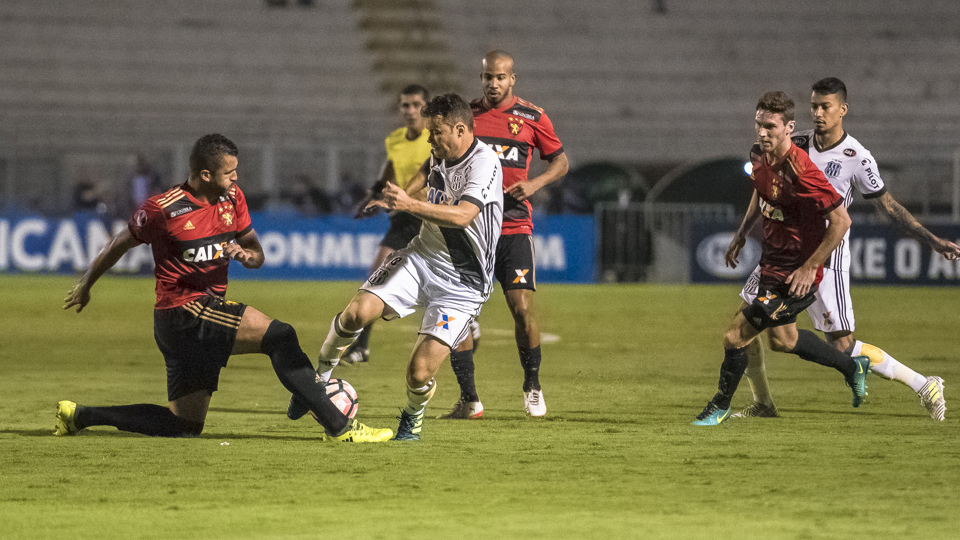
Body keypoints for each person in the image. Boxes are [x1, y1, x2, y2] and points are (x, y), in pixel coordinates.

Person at [56, 133, 392, 443]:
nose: (236, 178)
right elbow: (119, 243)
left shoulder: (233, 199)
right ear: (205, 175)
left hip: (199, 316)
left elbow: (256, 253)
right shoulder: (164, 208)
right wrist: (87, 284)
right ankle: (340, 428)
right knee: (280, 336)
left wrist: (246, 255)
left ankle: (80, 415)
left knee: (184, 425)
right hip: (183, 312)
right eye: (229, 172)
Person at [732, 78, 959, 421]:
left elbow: (889, 206)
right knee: (744, 325)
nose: (818, 113)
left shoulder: (857, 157)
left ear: (842, 110)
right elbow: (765, 188)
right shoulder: (794, 143)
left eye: (826, 107)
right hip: (786, 252)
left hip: (826, 255)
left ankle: (924, 384)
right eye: (814, 106)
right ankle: (763, 403)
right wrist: (742, 231)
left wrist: (933, 240)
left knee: (842, 345)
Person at [287, 93, 503, 440]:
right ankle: (317, 383)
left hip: (463, 283)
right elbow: (427, 168)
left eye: (436, 133)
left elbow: (464, 215)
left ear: (460, 129)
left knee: (419, 373)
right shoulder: (442, 151)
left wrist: (408, 204)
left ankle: (412, 417)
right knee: (356, 312)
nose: (431, 140)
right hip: (421, 257)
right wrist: (401, 193)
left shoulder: (485, 163)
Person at [693, 91, 871, 426]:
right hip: (769, 265)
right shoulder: (758, 155)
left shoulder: (801, 172)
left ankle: (720, 406)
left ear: (789, 127)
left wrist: (810, 266)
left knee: (735, 336)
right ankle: (852, 366)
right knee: (783, 341)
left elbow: (842, 221)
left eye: (770, 127)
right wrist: (743, 232)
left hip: (795, 275)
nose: (762, 133)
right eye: (759, 124)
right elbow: (760, 193)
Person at [441, 50, 569, 419]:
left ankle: (532, 384)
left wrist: (535, 183)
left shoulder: (533, 117)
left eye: (500, 77)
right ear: (480, 78)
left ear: (513, 79)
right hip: (472, 229)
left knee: (522, 308)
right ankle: (470, 399)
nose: (493, 84)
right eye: (487, 78)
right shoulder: (464, 117)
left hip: (514, 226)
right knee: (458, 314)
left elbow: (560, 160)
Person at [341, 84, 433, 365]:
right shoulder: (395, 139)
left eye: (416, 104)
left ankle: (465, 329)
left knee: (436, 287)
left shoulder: (436, 138)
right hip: (403, 218)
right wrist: (372, 194)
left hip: (432, 216)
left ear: (425, 107)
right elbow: (390, 166)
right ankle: (361, 346)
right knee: (377, 277)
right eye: (405, 105)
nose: (410, 110)